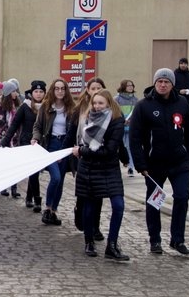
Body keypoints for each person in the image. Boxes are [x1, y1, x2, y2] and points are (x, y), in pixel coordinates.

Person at [130, 68, 189, 255]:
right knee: (155, 202)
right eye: (159, 81)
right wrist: (140, 164)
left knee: (182, 197)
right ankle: (155, 240)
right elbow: (134, 138)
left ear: (172, 84)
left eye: (166, 82)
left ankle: (178, 239)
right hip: (154, 164)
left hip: (179, 162)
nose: (162, 84)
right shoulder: (144, 105)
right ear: (155, 83)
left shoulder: (182, 103)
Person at [69, 90, 130, 260]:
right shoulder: (88, 117)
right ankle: (89, 242)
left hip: (109, 168)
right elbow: (80, 139)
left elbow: (110, 149)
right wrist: (80, 152)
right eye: (95, 103)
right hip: (88, 168)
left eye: (100, 103)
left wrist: (82, 151)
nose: (96, 106)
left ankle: (112, 245)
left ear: (109, 103)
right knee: (89, 208)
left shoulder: (116, 121)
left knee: (118, 205)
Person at [31, 78, 75, 226]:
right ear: (53, 90)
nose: (60, 91)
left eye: (62, 88)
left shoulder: (71, 108)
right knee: (55, 177)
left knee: (61, 181)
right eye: (57, 88)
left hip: (65, 145)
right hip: (50, 145)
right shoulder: (46, 106)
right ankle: (48, 208)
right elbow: (37, 126)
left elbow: (74, 129)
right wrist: (35, 138)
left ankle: (54, 211)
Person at [3, 80, 46, 211]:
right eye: (36, 91)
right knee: (33, 171)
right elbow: (15, 124)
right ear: (31, 93)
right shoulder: (25, 107)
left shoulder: (47, 107)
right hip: (27, 142)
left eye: (41, 92)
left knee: (35, 171)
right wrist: (6, 140)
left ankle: (29, 197)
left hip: (41, 143)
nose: (38, 94)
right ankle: (37, 199)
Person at [116, 79, 138, 177]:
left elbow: (137, 113)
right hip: (120, 127)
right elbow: (114, 112)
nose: (131, 87)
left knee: (130, 147)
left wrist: (132, 120)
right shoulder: (117, 99)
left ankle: (130, 167)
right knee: (118, 148)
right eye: (128, 85)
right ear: (123, 86)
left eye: (132, 85)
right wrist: (121, 120)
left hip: (131, 127)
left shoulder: (136, 100)